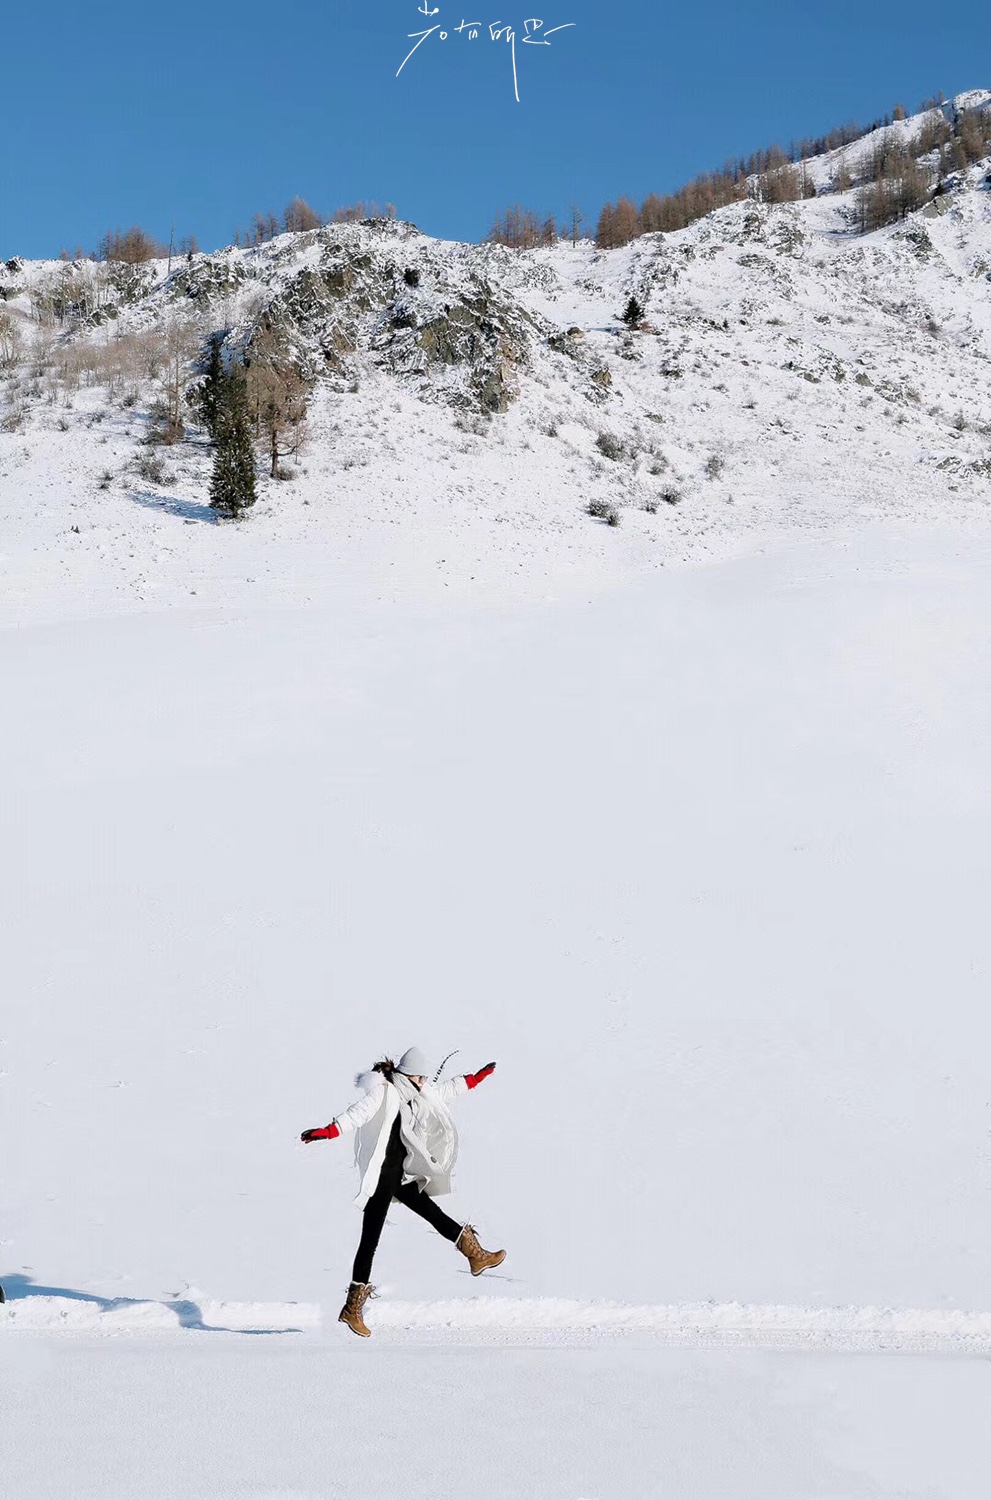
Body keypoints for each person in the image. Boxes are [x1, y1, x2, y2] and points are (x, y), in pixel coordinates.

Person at [300, 1046, 505, 1337]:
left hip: (399, 1175)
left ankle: (475, 1255)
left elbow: (443, 1092)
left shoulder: (412, 1094)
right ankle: (352, 1307)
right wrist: (329, 1131)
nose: (424, 1084)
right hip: (381, 1178)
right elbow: (357, 1114)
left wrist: (474, 1079)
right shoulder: (383, 1092)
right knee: (370, 1240)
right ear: (409, 1076)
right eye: (421, 1078)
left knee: (432, 1214)